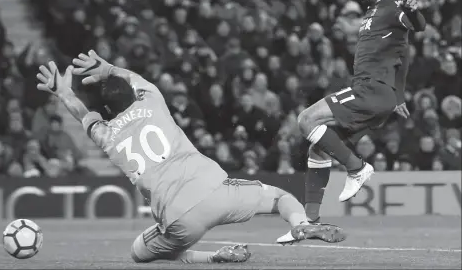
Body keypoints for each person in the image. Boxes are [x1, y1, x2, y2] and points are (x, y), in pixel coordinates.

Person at [35, 50, 346, 264]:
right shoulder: (153, 99)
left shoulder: (105, 135)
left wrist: (64, 92)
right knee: (279, 197)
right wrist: (110, 69)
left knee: (141, 252)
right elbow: (133, 79)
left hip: (179, 218)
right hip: (216, 190)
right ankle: (300, 223)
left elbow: (82, 114)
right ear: (133, 94)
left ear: (106, 112)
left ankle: (214, 257)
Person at [297, 0, 426, 222]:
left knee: (307, 120)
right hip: (378, 95)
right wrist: (399, 96)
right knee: (318, 149)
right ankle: (310, 221)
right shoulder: (375, 10)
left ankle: (356, 168)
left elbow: (417, 24)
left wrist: (415, 14)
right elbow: (403, 57)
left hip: (371, 90)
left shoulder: (396, 5)